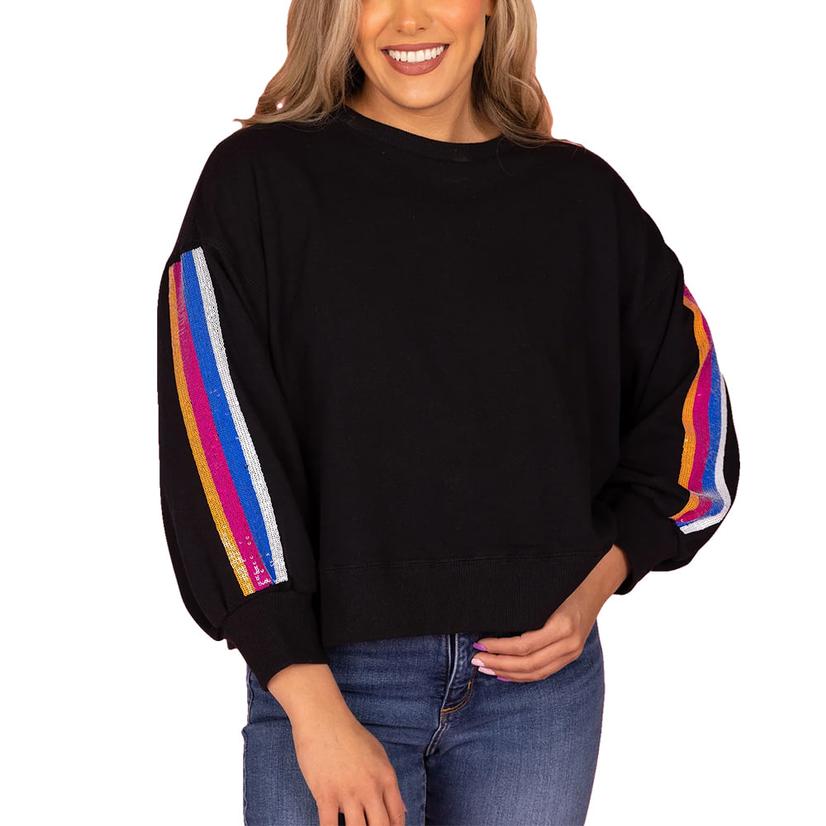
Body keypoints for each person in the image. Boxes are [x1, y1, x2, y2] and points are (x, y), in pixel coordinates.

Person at [156, 1, 741, 824]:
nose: (409, 18)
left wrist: (598, 581)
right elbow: (215, 439)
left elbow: (693, 420)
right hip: (332, 680)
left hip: (539, 698)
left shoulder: (581, 198)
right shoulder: (258, 182)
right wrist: (309, 699)